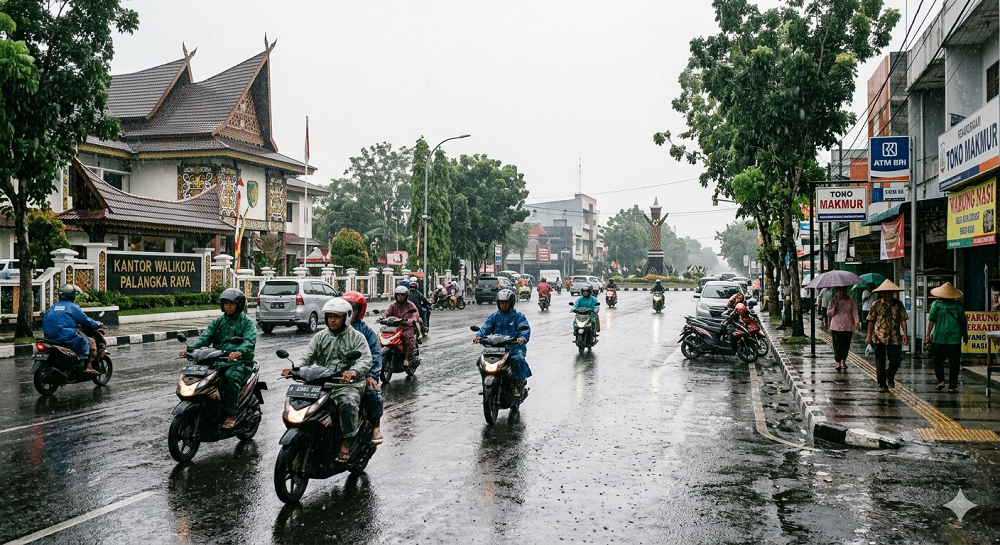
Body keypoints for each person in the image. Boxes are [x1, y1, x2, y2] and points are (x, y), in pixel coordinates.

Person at [283, 298, 373, 462]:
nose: (332, 320)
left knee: (347, 402)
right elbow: (307, 357)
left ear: (346, 317)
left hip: (346, 385)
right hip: (321, 383)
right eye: (330, 316)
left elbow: (365, 360)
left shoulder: (357, 337)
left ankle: (346, 442)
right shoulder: (320, 337)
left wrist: (352, 372)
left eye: (336, 316)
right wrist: (295, 368)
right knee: (297, 403)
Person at [181, 288, 256, 429]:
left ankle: (231, 415)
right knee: (201, 377)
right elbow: (205, 338)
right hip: (217, 361)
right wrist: (190, 349)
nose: (228, 306)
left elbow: (249, 341)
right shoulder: (218, 322)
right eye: (226, 303)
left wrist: (239, 352)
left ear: (238, 305)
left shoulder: (247, 323)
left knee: (230, 377)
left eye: (232, 304)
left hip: (240, 363)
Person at [342, 291, 384, 444]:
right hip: (337, 375)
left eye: (352, 309)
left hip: (361, 374)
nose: (349, 313)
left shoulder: (365, 331)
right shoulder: (331, 330)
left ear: (359, 311)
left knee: (372, 393)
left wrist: (370, 374)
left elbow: (374, 354)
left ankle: (376, 426)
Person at [474, 288, 531, 396]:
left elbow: (524, 330)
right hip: (496, 348)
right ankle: (485, 385)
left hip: (514, 348)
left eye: (506, 303)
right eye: (501, 303)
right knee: (480, 362)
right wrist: (479, 336)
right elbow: (486, 328)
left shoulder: (518, 316)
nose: (504, 305)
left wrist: (522, 338)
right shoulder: (494, 316)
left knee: (518, 359)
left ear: (511, 303)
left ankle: (515, 385)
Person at [43, 284, 101, 374]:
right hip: (66, 337)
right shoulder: (73, 307)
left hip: (49, 337)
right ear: (72, 295)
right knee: (91, 342)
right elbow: (85, 321)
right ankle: (88, 367)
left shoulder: (53, 307)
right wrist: (96, 324)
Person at [864, 280, 909, 393]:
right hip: (880, 337)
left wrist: (905, 334)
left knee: (896, 360)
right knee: (880, 361)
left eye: (890, 292)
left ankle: (890, 375)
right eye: (885, 292)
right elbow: (871, 321)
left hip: (894, 337)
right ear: (882, 293)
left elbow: (903, 319)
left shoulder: (898, 304)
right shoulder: (876, 305)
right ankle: (882, 383)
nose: (888, 294)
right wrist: (869, 336)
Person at [926, 282, 969, 393]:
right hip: (954, 339)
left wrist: (927, 335)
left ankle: (941, 381)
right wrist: (965, 335)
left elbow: (931, 321)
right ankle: (952, 386)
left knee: (937, 361)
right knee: (954, 363)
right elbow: (963, 322)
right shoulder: (958, 306)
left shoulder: (936, 305)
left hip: (939, 338)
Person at [384, 285, 420, 367]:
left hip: (407, 327)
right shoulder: (393, 305)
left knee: (406, 337)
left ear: (406, 296)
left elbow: (415, 314)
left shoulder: (410, 305)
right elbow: (386, 314)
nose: (400, 297)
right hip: (394, 328)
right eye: (398, 295)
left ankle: (406, 358)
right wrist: (382, 319)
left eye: (402, 295)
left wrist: (412, 320)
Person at [827, 286, 860, 370]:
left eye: (844, 290)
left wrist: (856, 322)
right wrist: (834, 308)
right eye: (840, 291)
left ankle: (844, 361)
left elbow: (855, 311)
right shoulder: (833, 301)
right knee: (837, 345)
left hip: (848, 326)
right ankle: (838, 362)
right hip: (836, 326)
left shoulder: (851, 300)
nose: (842, 292)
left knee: (846, 344)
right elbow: (829, 313)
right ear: (837, 291)